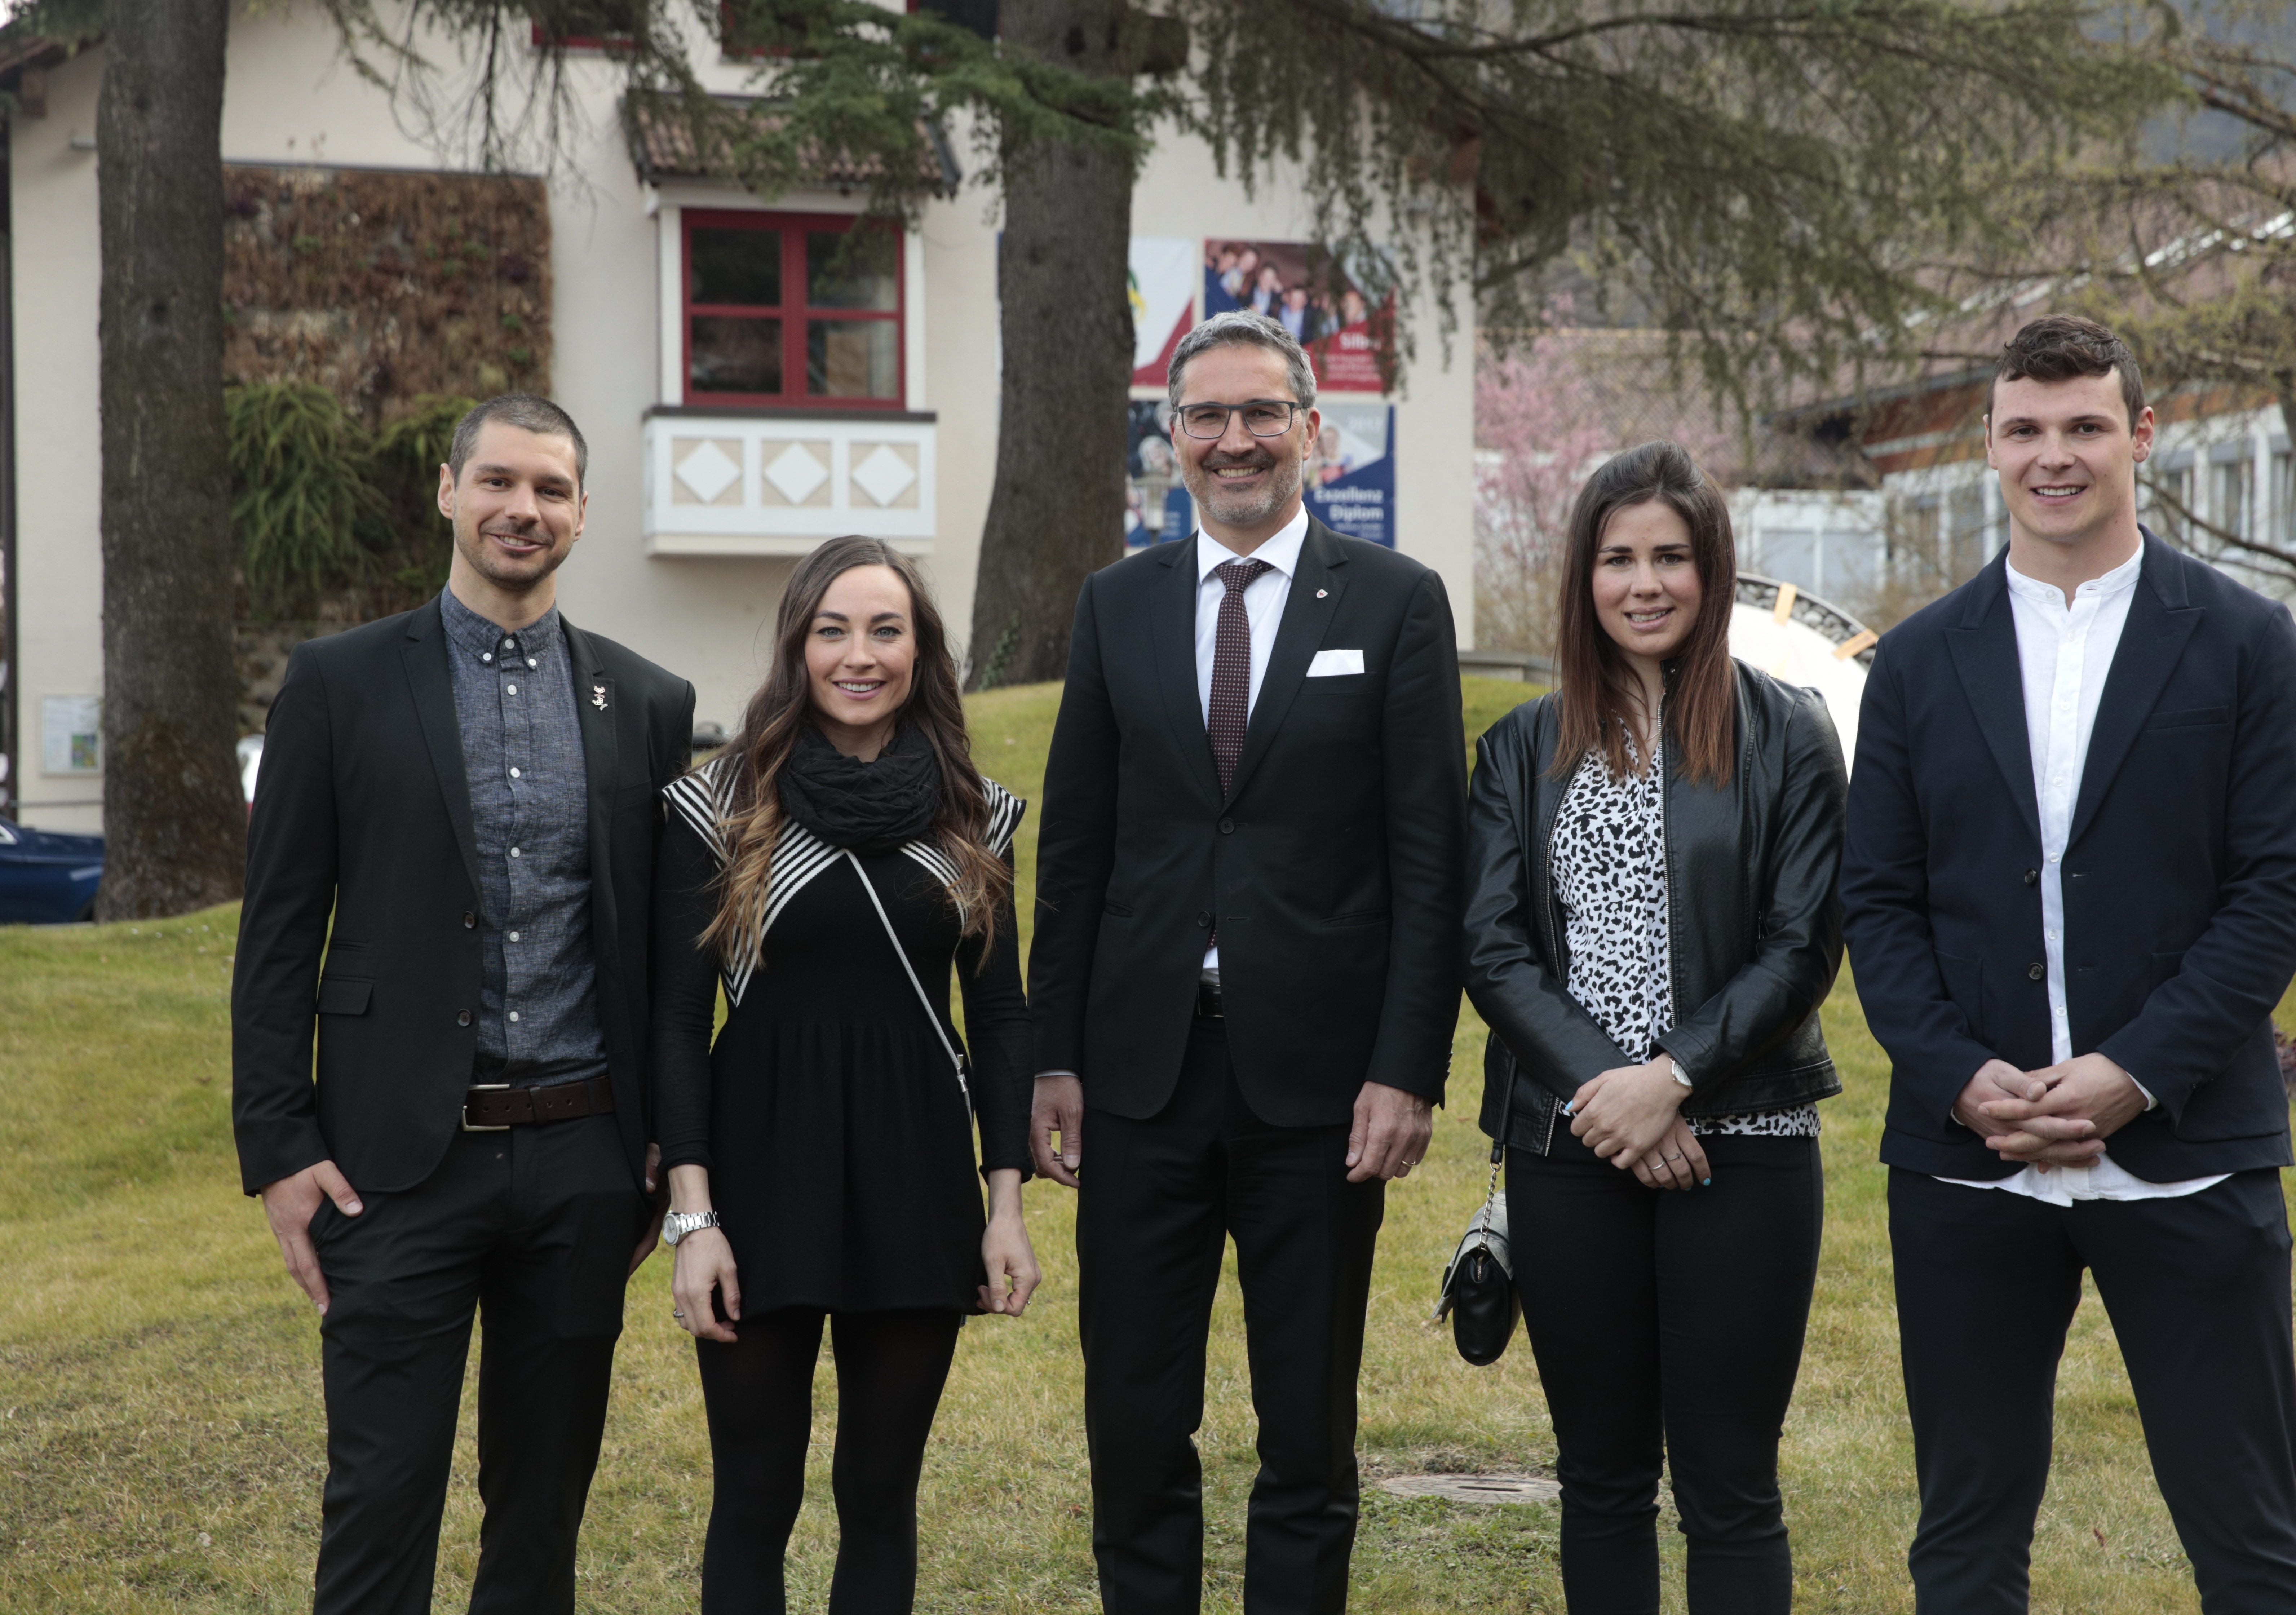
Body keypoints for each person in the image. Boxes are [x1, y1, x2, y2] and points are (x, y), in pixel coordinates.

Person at [1839, 315, 2296, 1614]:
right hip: (1971, 1166)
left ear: (2142, 436)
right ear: (1993, 445)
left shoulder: (2242, 642)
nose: (2054, 456)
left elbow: (2274, 894)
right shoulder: (1918, 661)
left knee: (2251, 1546)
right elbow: (1877, 902)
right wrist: (1956, 1079)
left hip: (2193, 1153)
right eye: (2026, 431)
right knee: (1964, 1546)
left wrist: (2133, 1073)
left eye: (2085, 427)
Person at [1027, 310, 1466, 1614]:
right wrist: (1056, 1057)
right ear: (1173, 440)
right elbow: (1079, 852)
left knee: (1309, 1429)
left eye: (1263, 413)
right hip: (1143, 1081)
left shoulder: (1395, 604)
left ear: (1311, 434)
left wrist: (1407, 1069)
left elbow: (1427, 862)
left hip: (1321, 1093)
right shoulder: (1117, 606)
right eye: (1207, 417)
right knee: (1134, 1419)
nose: (1236, 440)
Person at [230, 395, 695, 1614]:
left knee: (541, 1510)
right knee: (382, 1497)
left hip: (585, 1160)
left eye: (549, 490)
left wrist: (657, 1144)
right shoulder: (337, 685)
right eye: (497, 482)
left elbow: (655, 952)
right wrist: (281, 1148)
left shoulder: (647, 702)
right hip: (394, 1167)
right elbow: (279, 932)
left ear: (584, 514)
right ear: (449, 492)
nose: (521, 510)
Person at [1465, 441, 1847, 1614]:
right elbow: (1492, 947)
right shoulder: (1525, 747)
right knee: (1602, 1481)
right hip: (1569, 1148)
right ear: (1583, 577)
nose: (1646, 583)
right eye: (1619, 558)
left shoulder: (1787, 733)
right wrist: (1611, 1095)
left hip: (1748, 1142)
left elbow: (1802, 944)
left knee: (1731, 1485)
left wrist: (1673, 1078)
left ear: (1712, 569)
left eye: (1672, 557)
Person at [650, 536, 1041, 1614]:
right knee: (755, 1492)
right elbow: (678, 1026)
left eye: (885, 629)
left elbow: (1002, 1018)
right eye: (833, 630)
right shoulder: (718, 807)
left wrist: (1004, 1206)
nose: (858, 655)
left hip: (916, 1182)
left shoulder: (976, 813)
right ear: (797, 647)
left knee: (880, 1490)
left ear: (922, 651)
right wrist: (696, 1221)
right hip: (759, 1176)